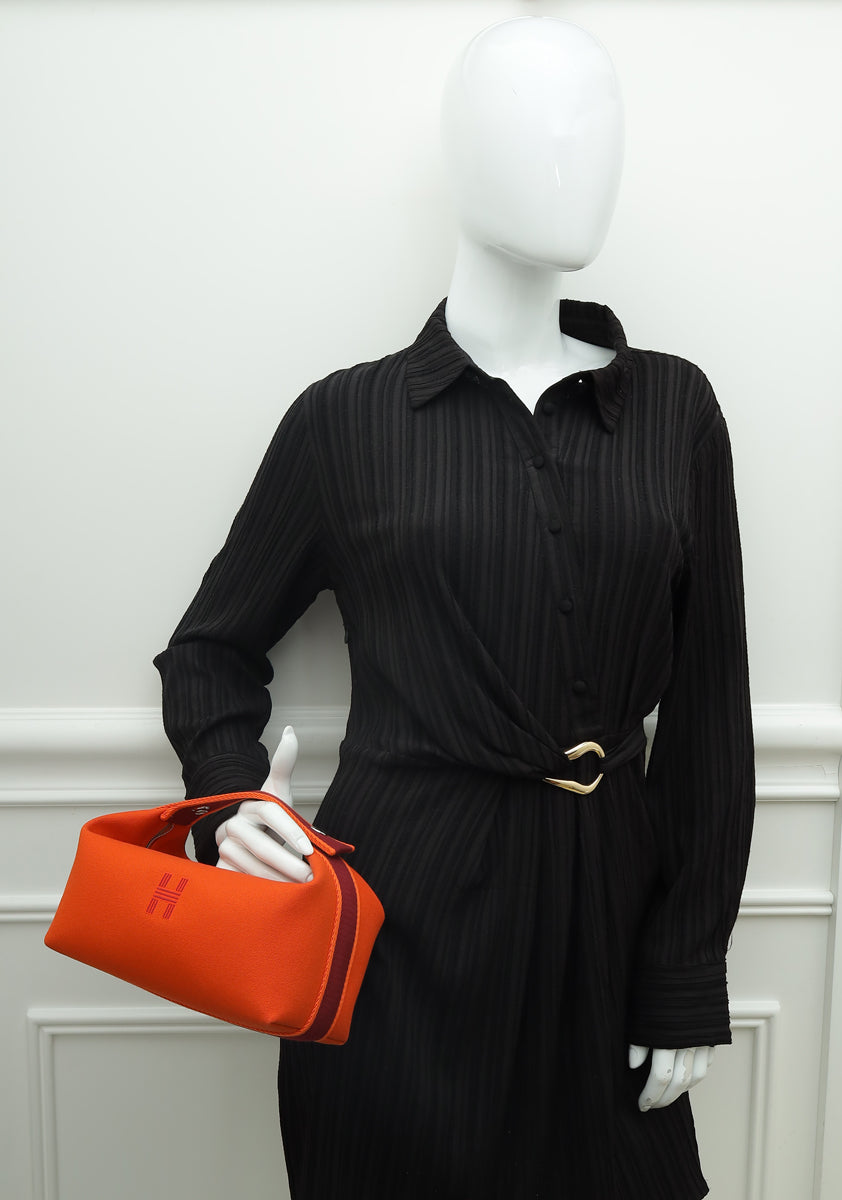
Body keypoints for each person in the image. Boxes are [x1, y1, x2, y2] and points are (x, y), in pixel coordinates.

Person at [154, 16, 754, 1199]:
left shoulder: (673, 412)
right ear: (460, 154)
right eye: (537, 124)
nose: (579, 157)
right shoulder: (346, 422)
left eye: (599, 128)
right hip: (398, 929)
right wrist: (228, 798)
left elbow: (709, 719)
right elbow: (207, 652)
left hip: (608, 925)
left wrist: (684, 970)